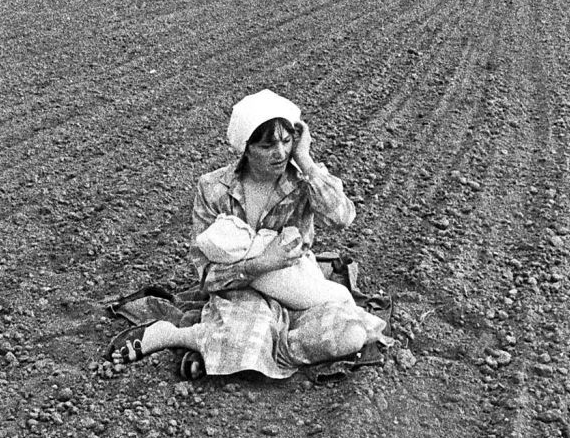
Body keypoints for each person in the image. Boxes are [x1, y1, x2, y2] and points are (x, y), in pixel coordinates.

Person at [105, 88, 385, 377]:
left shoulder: (303, 181)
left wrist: (306, 161)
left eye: (287, 142)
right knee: (250, 337)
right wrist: (261, 265)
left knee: (351, 335)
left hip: (298, 287)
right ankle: (173, 335)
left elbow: (342, 217)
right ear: (246, 147)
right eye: (267, 146)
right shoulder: (214, 188)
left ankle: (216, 343)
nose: (280, 153)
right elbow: (206, 273)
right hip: (242, 290)